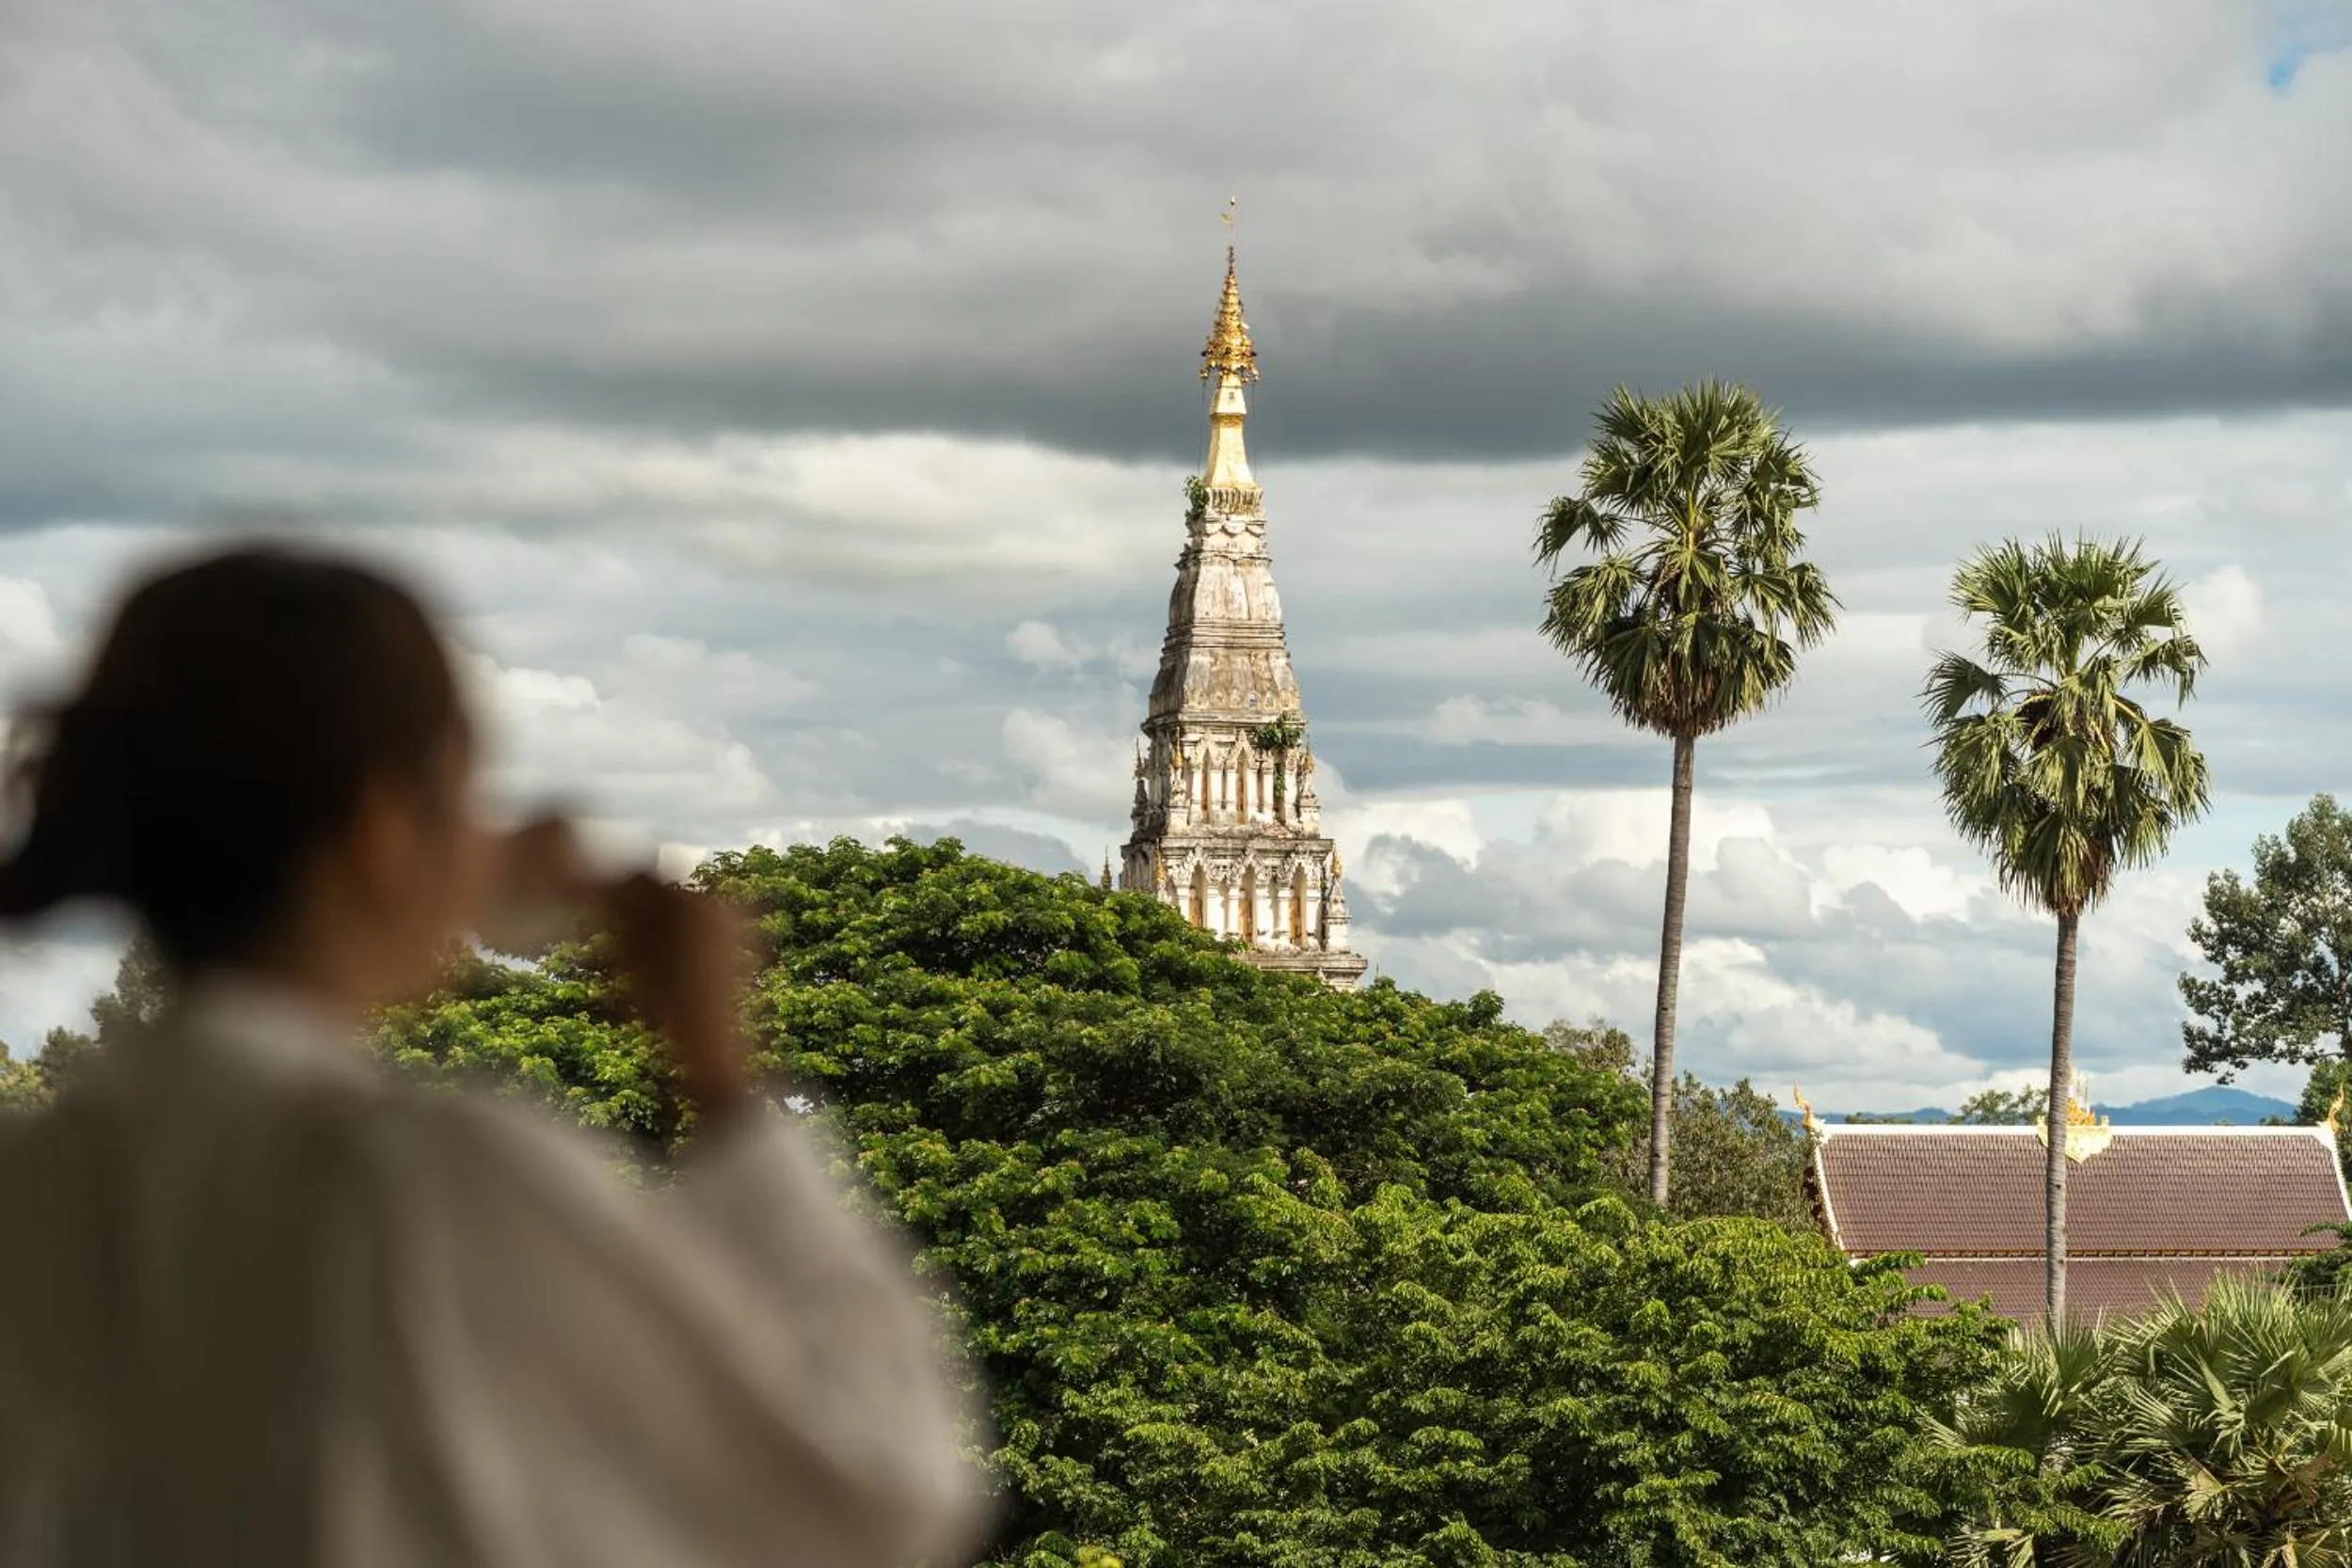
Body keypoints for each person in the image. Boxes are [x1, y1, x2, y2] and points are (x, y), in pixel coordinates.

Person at [0, 546, 987, 1565]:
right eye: (465, 789)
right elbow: (879, 1488)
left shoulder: (34, 1174)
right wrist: (719, 1071)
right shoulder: (414, 1175)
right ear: (381, 829)